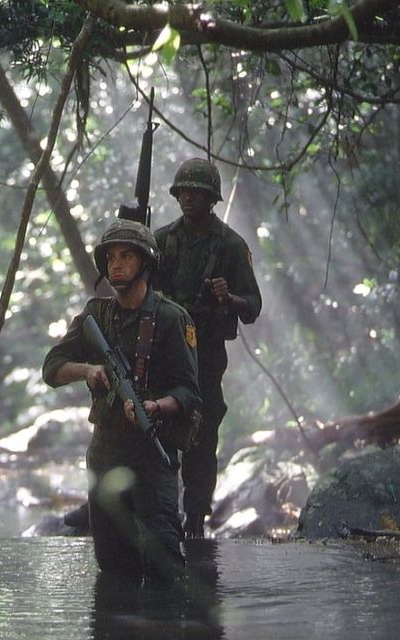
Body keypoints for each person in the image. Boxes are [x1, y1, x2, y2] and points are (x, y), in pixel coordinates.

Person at [42, 219, 201, 581]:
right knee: (113, 566)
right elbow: (51, 368)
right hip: (106, 454)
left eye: (126, 256)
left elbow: (190, 393)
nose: (116, 264)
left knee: (164, 566)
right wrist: (87, 371)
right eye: (111, 257)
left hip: (152, 453)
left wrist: (157, 407)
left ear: (144, 262)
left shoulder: (171, 318)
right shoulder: (95, 316)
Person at [152, 157, 262, 539]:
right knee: (157, 429)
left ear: (210, 198)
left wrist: (228, 297)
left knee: (201, 433)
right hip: (164, 354)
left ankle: (195, 518)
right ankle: (159, 514)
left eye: (195, 193)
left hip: (207, 353)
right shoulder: (161, 241)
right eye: (182, 191)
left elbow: (253, 307)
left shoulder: (231, 245)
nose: (187, 198)